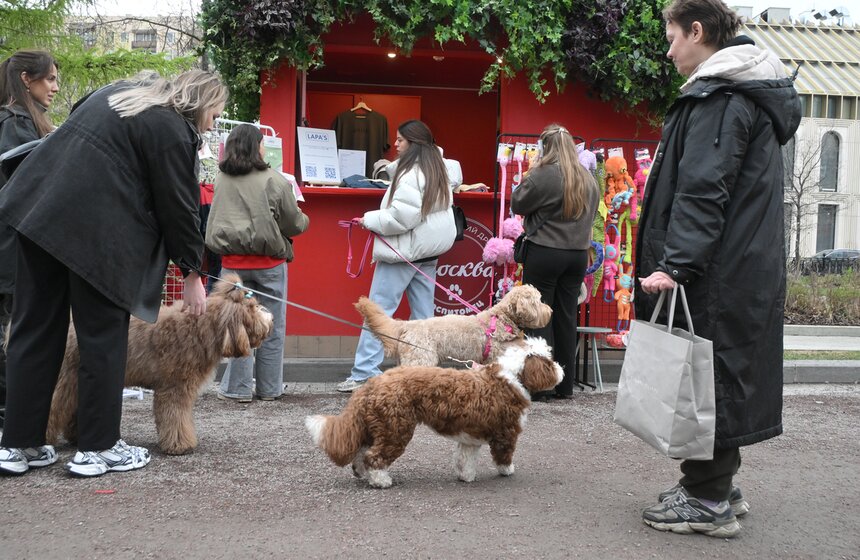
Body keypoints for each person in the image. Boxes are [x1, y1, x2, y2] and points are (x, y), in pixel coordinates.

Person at [0, 69, 228, 477]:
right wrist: (193, 274)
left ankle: (19, 443)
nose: (213, 123)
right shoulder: (172, 128)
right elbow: (180, 206)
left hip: (39, 211)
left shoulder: (118, 94)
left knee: (34, 329)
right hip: (98, 235)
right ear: (201, 103)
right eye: (215, 114)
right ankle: (98, 447)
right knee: (102, 336)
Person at [634, 0, 801, 538]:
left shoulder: (722, 96)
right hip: (738, 266)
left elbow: (704, 189)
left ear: (698, 31)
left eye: (672, 36)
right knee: (718, 369)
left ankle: (707, 500)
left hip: (718, 271)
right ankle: (716, 485)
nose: (668, 49)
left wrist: (676, 265)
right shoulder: (741, 93)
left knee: (705, 373)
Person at [337, 120, 456, 393]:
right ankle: (425, 371)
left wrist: (368, 219)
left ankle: (364, 372)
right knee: (424, 317)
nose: (396, 144)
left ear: (413, 144)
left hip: (403, 252)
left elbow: (401, 218)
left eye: (401, 140)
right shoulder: (439, 168)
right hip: (428, 252)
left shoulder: (411, 174)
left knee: (378, 312)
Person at [205, 124, 309, 402]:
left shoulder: (221, 179)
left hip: (232, 267)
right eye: (263, 143)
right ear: (256, 146)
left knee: (237, 326)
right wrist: (303, 219)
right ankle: (269, 389)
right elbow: (295, 224)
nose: (265, 147)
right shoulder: (274, 179)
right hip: (269, 265)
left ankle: (237, 390)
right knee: (271, 325)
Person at [510, 124, 599, 400]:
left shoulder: (543, 174)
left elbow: (517, 204)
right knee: (566, 316)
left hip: (545, 251)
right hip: (577, 255)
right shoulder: (588, 177)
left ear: (544, 147)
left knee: (539, 317)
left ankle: (540, 386)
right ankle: (564, 386)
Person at [0, 49, 59, 432]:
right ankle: (11, 417)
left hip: (13, 245)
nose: (55, 87)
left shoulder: (21, 120)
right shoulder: (14, 122)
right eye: (50, 78)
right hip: (11, 248)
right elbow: (29, 187)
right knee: (12, 333)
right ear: (26, 78)